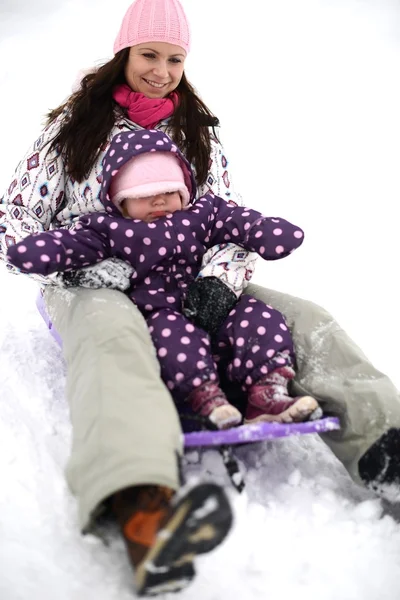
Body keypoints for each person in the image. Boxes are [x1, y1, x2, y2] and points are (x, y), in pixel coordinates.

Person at [1, 0, 400, 593]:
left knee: (305, 318)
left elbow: (226, 220)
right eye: (149, 55)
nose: (161, 70)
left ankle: (383, 441)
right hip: (93, 276)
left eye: (174, 58)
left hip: (188, 268)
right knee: (114, 339)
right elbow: (15, 218)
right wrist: (90, 263)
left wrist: (218, 281)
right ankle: (137, 497)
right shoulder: (73, 129)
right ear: (123, 54)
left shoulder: (196, 130)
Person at [7, 128, 323, 429]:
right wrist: (37, 251)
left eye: (170, 192)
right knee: (173, 334)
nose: (159, 201)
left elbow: (237, 221)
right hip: (156, 313)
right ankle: (204, 397)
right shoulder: (110, 229)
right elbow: (72, 245)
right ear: (120, 200)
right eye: (145, 195)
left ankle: (266, 391)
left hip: (206, 301)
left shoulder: (202, 214)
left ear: (184, 192)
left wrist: (266, 232)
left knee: (258, 315)